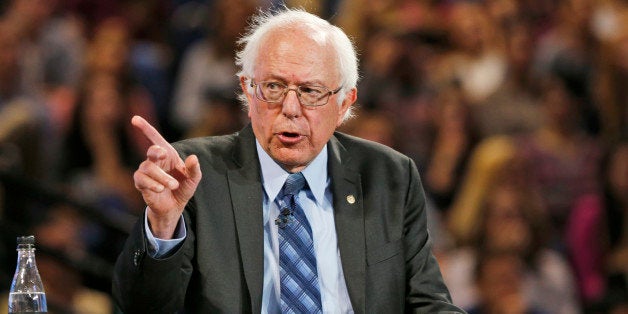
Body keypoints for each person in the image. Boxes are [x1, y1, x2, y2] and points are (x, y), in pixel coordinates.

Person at [112, 8, 462, 313]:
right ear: (248, 91)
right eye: (274, 88)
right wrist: (162, 227)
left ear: (344, 103)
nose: (290, 109)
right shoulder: (192, 174)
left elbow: (427, 302)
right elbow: (142, 307)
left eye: (310, 92)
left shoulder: (389, 175)